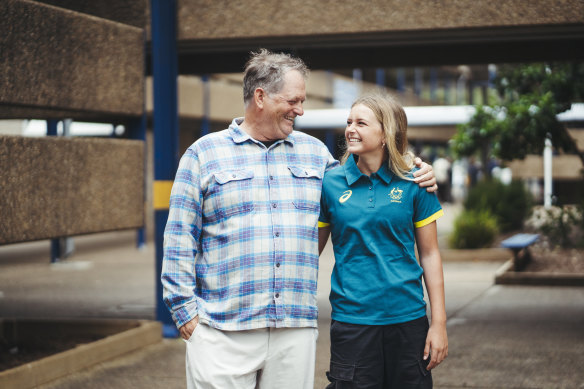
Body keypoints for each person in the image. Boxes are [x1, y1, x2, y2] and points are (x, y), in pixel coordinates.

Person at [161, 49, 437, 389]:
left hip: (294, 331)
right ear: (260, 97)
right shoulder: (203, 154)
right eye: (293, 100)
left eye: (303, 100)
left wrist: (416, 168)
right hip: (223, 329)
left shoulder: (315, 155)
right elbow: (178, 238)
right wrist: (185, 312)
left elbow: (369, 178)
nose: (301, 110)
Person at [318, 93, 448, 388]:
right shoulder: (329, 184)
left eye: (361, 123)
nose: (351, 129)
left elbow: (430, 255)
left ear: (386, 133)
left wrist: (438, 323)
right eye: (349, 122)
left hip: (408, 320)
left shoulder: (416, 182)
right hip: (353, 322)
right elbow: (309, 251)